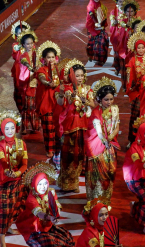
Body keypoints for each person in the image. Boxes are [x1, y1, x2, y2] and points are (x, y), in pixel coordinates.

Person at [0, 111, 27, 247]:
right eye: (6, 128)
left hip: (16, 181)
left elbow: (25, 164)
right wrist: (7, 170)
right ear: (2, 130)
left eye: (12, 128)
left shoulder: (22, 144)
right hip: (3, 182)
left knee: (14, 207)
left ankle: (9, 225)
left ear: (16, 128)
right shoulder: (0, 145)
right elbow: (2, 160)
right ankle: (2, 240)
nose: (10, 131)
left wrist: (17, 174)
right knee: (4, 211)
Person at [15, 163, 74, 247]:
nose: (43, 187)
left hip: (48, 224)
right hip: (33, 227)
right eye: (39, 184)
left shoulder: (51, 192)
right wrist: (50, 217)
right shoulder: (31, 198)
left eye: (45, 183)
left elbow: (56, 205)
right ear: (34, 184)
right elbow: (39, 213)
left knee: (66, 238)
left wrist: (56, 215)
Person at [56, 60, 92, 193]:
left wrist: (86, 101)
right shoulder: (66, 89)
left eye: (82, 75)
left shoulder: (88, 89)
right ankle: (65, 183)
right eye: (77, 75)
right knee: (68, 157)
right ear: (71, 76)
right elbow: (60, 103)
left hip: (83, 127)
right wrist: (61, 93)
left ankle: (75, 182)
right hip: (69, 127)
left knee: (79, 156)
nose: (80, 78)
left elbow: (93, 105)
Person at [85, 77, 119, 201]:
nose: (109, 102)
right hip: (98, 146)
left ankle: (106, 196)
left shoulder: (115, 110)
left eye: (111, 99)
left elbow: (117, 127)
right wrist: (105, 140)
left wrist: (110, 137)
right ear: (100, 99)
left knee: (111, 170)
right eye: (106, 99)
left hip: (109, 144)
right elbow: (98, 132)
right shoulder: (95, 113)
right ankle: (96, 198)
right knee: (98, 173)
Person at [126, 32, 145, 143]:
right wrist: (131, 86)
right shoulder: (132, 61)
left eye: (143, 47)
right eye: (139, 48)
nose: (141, 50)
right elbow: (129, 76)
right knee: (135, 116)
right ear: (135, 49)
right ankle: (132, 140)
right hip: (137, 93)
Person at [14, 30, 40, 134]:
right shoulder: (23, 56)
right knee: (27, 105)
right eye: (27, 44)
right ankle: (25, 127)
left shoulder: (37, 55)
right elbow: (25, 63)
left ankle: (34, 126)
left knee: (34, 105)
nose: (29, 45)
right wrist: (31, 68)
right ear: (23, 45)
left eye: (31, 43)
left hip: (36, 83)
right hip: (27, 84)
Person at [85, 0, 109, 65]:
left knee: (102, 42)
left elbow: (104, 16)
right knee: (91, 44)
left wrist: (102, 23)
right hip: (92, 28)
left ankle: (101, 59)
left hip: (100, 27)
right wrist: (96, 23)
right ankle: (90, 55)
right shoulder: (90, 6)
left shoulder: (102, 6)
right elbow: (91, 15)